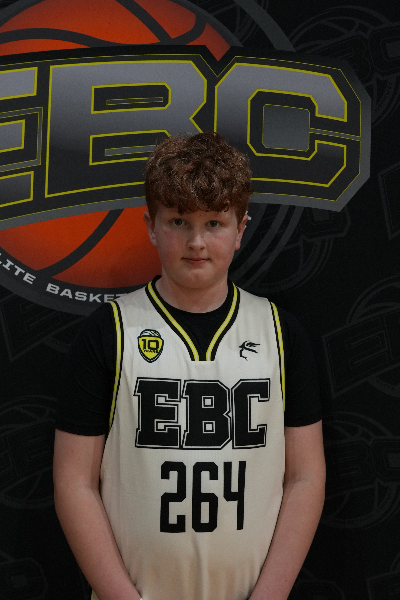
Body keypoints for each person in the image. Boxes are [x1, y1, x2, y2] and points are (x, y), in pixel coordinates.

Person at [53, 132, 325, 600]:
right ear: (151, 225)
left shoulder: (280, 334)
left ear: (241, 229)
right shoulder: (110, 332)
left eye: (214, 223)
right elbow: (74, 482)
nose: (196, 242)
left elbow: (305, 477)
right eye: (179, 221)